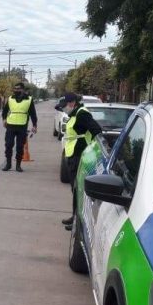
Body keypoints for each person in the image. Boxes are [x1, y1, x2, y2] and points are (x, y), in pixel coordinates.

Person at [60, 93, 102, 230]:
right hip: (74, 155)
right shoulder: (75, 114)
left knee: (79, 189)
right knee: (75, 188)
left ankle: (78, 222)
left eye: (65, 105)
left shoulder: (82, 114)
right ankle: (75, 216)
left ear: (72, 103)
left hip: (81, 156)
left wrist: (91, 150)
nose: (64, 108)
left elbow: (97, 130)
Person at [1, 82, 38, 172]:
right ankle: (8, 164)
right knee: (8, 145)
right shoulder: (10, 99)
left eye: (18, 89)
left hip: (22, 126)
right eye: (15, 89)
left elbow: (33, 113)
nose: (16, 90)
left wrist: (34, 125)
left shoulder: (29, 100)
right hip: (10, 125)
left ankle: (18, 165)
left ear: (23, 89)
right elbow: (4, 111)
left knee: (20, 146)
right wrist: (4, 119)